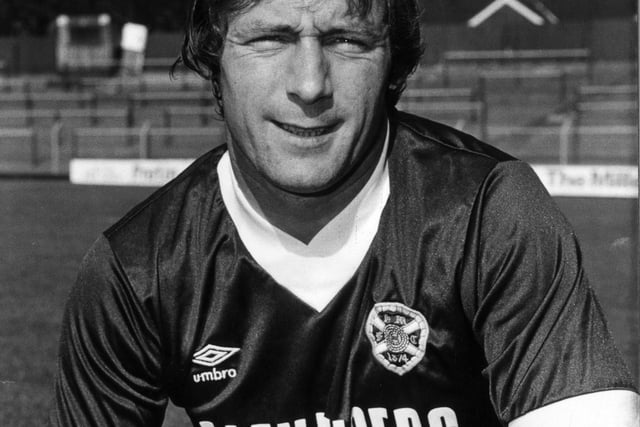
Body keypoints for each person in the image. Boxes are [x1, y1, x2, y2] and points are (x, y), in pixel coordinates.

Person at [50, 0, 639, 425]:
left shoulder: (487, 211)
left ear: (392, 65)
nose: (310, 84)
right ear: (214, 61)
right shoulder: (136, 269)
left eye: (347, 40)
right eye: (269, 38)